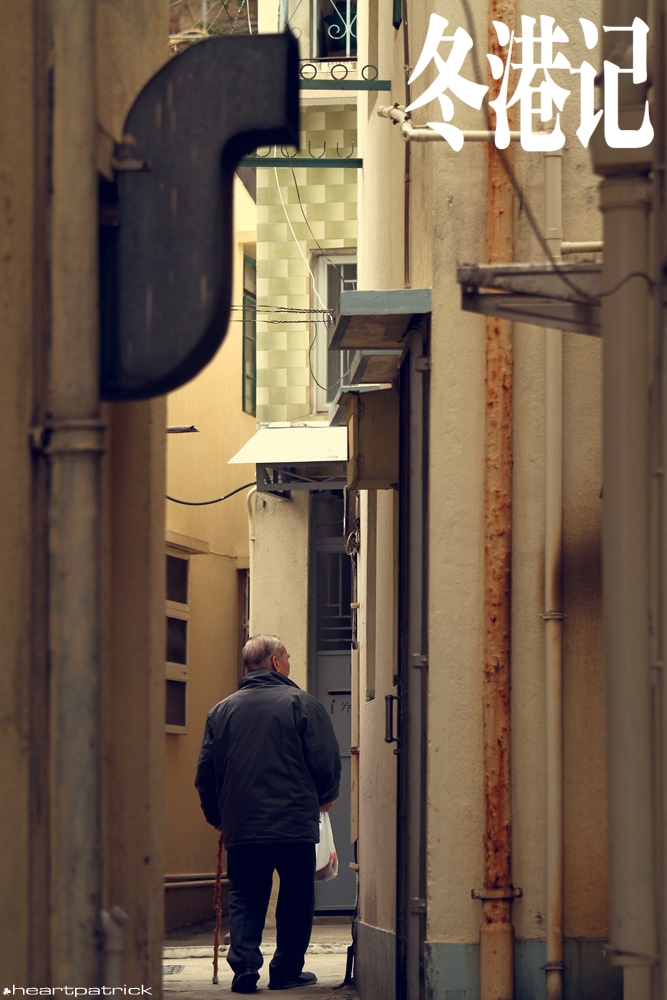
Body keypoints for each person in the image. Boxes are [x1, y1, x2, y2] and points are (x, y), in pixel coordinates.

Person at [195, 634, 341, 994]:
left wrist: (218, 817)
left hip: (243, 825)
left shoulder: (221, 711)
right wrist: (324, 797)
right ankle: (286, 971)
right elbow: (325, 761)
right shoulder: (302, 704)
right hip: (293, 823)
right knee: (296, 895)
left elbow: (206, 773)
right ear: (276, 662)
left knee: (245, 894)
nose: (288, 663)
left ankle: (245, 967)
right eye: (287, 658)